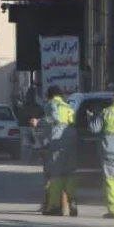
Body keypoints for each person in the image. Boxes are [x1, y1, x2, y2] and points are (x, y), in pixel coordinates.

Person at [32, 85, 78, 216]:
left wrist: (38, 122)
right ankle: (72, 202)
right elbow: (71, 122)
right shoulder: (68, 106)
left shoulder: (52, 104)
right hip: (70, 142)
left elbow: (54, 119)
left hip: (57, 142)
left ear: (50, 95)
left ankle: (55, 207)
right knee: (68, 174)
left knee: (55, 175)